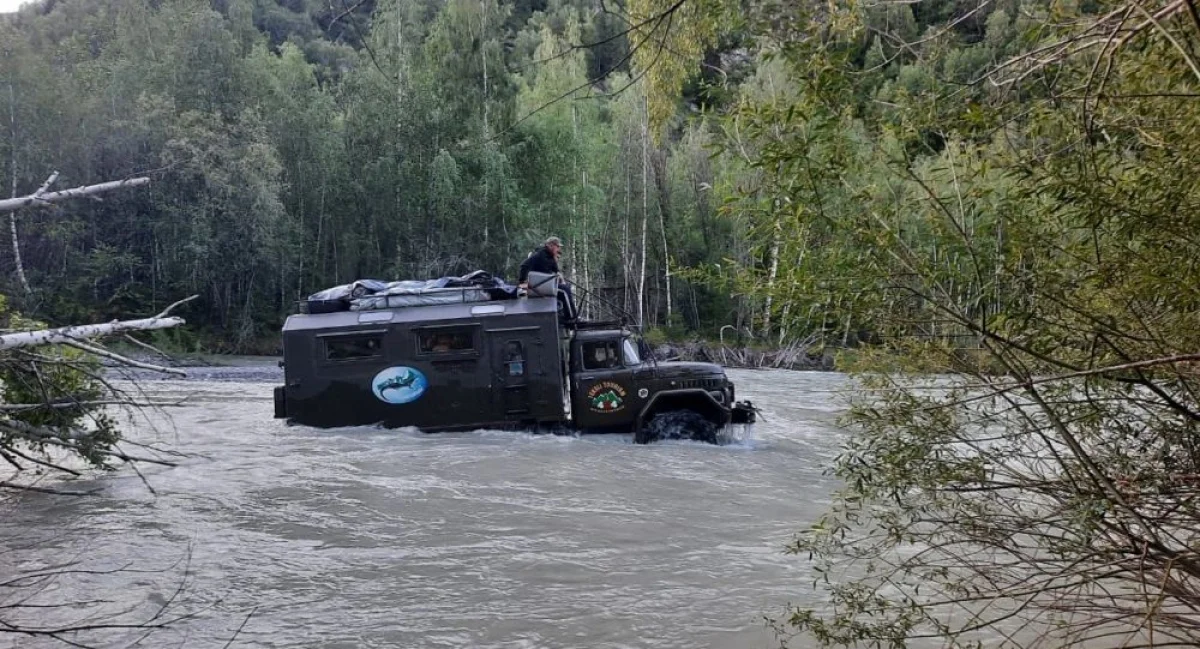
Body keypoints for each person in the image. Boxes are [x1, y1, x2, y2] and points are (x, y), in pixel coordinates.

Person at [518, 236, 577, 321]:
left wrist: (562, 281)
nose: (559, 249)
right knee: (564, 291)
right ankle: (571, 318)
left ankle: (570, 315)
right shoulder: (539, 254)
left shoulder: (551, 257)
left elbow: (557, 272)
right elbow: (524, 265)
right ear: (550, 245)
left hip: (547, 284)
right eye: (557, 246)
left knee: (566, 287)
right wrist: (522, 283)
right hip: (538, 286)